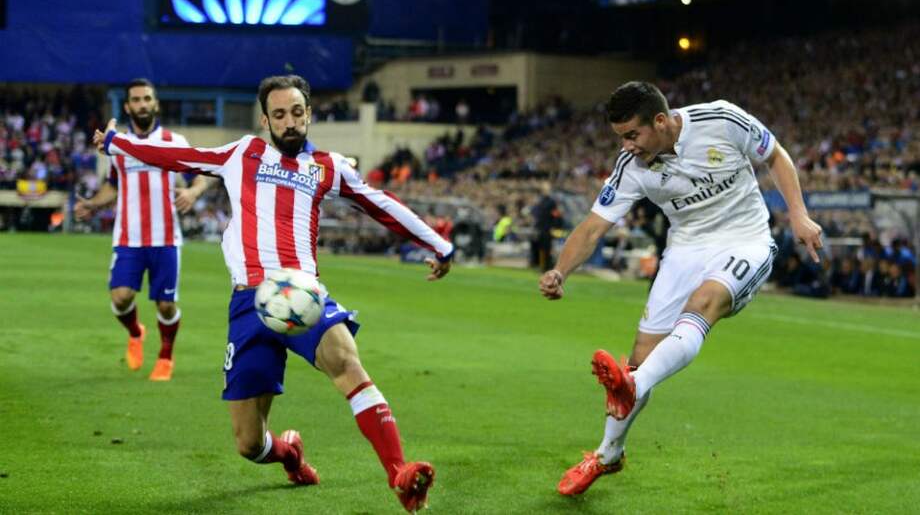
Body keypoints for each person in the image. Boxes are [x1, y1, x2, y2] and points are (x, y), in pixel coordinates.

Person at [92, 75, 453, 512]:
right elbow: (180, 156)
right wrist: (116, 143)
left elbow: (382, 204)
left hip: (303, 293)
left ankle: (398, 472)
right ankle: (289, 454)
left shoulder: (327, 166)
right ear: (265, 119)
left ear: (309, 114)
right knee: (248, 442)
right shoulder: (243, 153)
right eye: (279, 114)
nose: (290, 121)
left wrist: (440, 244)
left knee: (346, 361)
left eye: (297, 112)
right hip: (250, 302)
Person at [539, 81, 822, 496]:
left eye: (632, 135)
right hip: (686, 248)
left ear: (660, 120)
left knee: (702, 304)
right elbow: (594, 225)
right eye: (620, 137)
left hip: (745, 239)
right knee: (641, 357)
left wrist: (798, 214)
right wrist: (560, 271)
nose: (627, 146)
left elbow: (775, 156)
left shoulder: (721, 119)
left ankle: (629, 389)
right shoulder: (631, 165)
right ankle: (608, 454)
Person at [75, 79, 212, 381]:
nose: (141, 104)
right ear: (127, 106)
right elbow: (113, 185)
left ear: (156, 104)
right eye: (135, 100)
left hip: (165, 239)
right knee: (121, 298)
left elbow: (202, 175)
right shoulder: (119, 145)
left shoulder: (174, 141)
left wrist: (192, 193)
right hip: (128, 238)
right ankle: (136, 331)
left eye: (146, 98)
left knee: (165, 304)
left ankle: (165, 356)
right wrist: (93, 205)